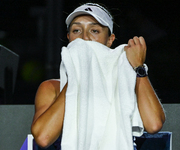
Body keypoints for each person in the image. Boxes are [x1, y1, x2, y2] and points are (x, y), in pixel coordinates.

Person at [31, 3, 165, 149]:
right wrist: (77, 78)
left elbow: (154, 124)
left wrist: (139, 68)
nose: (84, 38)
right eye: (76, 30)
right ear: (69, 38)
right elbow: (43, 138)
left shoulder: (127, 81)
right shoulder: (51, 87)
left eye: (94, 30)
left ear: (110, 40)